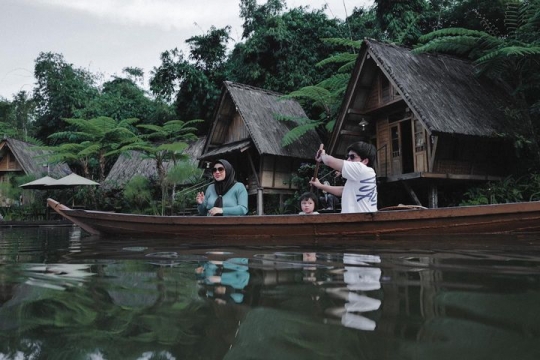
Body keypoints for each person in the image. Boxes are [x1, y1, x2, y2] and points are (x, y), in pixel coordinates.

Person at [309, 141, 377, 213]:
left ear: (365, 161)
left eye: (352, 157)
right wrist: (321, 186)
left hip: (359, 219)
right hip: (362, 219)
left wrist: (322, 155)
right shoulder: (365, 173)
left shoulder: (361, 169)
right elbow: (344, 190)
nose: (348, 160)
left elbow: (329, 161)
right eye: (348, 156)